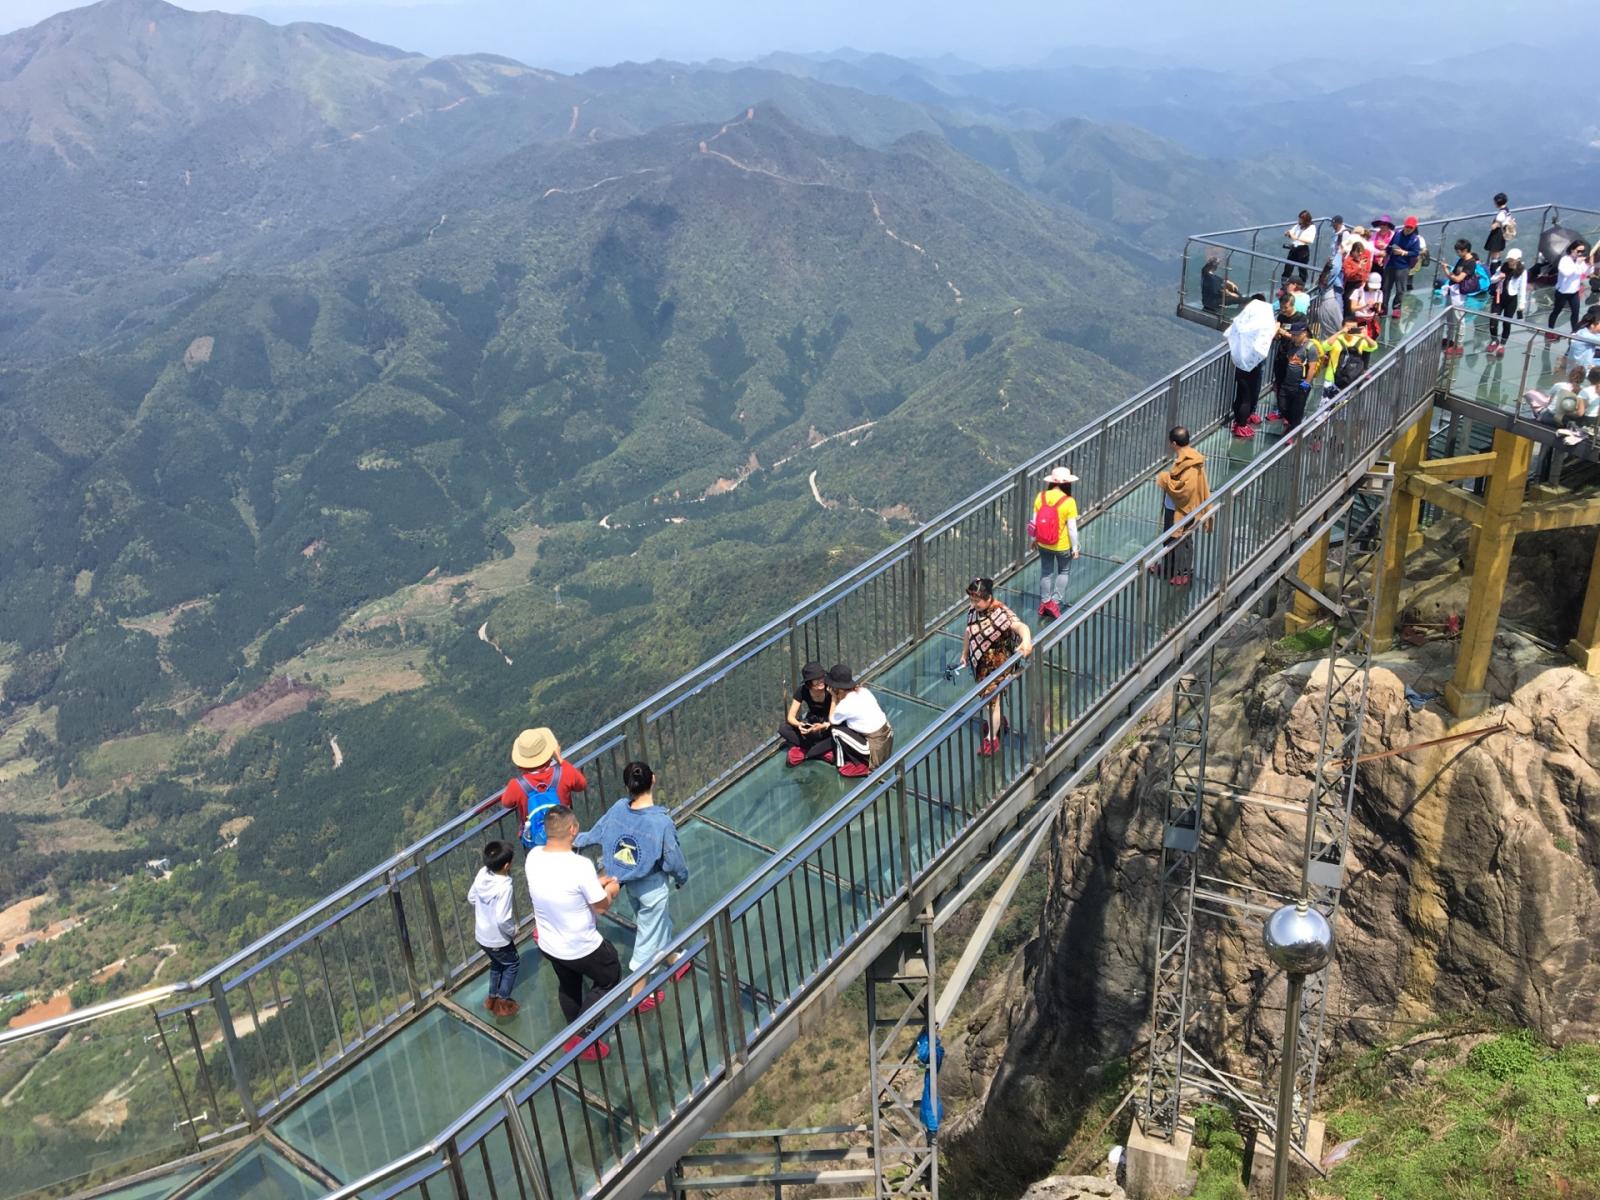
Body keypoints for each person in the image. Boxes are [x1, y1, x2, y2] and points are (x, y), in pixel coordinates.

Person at [575, 761, 689, 1009]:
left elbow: (597, 833)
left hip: (629, 885)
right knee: (648, 936)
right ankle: (639, 995)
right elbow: (673, 860)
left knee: (657, 925)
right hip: (653, 887)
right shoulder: (661, 822)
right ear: (654, 780)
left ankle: (672, 958)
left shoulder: (618, 808)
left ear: (627, 786)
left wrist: (571, 840)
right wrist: (681, 878)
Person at [526, 806, 620, 1060]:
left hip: (550, 943)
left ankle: (574, 1033)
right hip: (581, 945)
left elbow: (563, 888)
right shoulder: (580, 865)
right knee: (609, 977)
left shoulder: (533, 857)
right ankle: (582, 1032)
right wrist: (611, 889)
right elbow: (600, 906)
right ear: (572, 830)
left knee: (569, 985)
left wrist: (594, 885)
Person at [962, 578, 1033, 756]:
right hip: (982, 664)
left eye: (977, 600)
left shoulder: (1001, 613)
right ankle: (997, 722)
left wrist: (1026, 640)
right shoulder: (974, 611)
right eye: (972, 600)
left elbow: (1019, 626)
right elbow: (969, 632)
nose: (974, 604)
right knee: (989, 702)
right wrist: (964, 654)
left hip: (998, 665)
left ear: (988, 597)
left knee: (992, 702)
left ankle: (991, 739)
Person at [501, 727, 587, 847]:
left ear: (521, 764)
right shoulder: (564, 773)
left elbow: (506, 802)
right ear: (548, 754)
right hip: (565, 836)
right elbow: (582, 784)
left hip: (537, 843)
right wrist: (560, 760)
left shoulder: (516, 785)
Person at [467, 840, 521, 1018]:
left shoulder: (482, 873)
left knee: (497, 964)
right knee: (512, 964)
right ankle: (503, 1003)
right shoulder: (504, 886)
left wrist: (485, 911)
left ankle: (491, 999)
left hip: (481, 935)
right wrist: (513, 930)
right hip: (497, 938)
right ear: (506, 865)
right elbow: (503, 918)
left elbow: (472, 898)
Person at [1154, 426, 1211, 588]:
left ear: (1173, 443)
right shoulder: (1189, 457)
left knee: (1182, 539)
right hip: (1174, 507)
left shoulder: (1190, 463)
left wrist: (1165, 479)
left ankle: (1183, 573)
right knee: (1170, 537)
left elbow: (1185, 489)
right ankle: (1168, 568)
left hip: (1182, 508)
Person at [1031, 466, 1081, 621]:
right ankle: (1055, 602)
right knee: (1063, 572)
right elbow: (1072, 528)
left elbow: (1034, 522)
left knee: (1046, 572)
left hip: (1043, 543)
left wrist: (1034, 540)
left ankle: (1044, 602)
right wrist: (1075, 547)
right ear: (1068, 484)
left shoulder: (1041, 496)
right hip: (1062, 545)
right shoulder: (1069, 502)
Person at [827, 664, 893, 778]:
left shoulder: (845, 704)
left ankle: (840, 763)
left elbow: (832, 719)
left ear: (839, 688)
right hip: (887, 737)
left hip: (875, 748)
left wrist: (833, 698)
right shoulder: (863, 691)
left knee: (835, 731)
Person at [1227, 297, 1277, 438]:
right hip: (1251, 367)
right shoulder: (1257, 331)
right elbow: (1264, 340)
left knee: (1240, 395)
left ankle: (1237, 422)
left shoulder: (1244, 328)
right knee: (1247, 398)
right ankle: (1242, 426)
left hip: (1240, 364)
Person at [780, 662, 835, 767]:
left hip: (828, 725)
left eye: (822, 677)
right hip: (812, 723)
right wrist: (799, 725)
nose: (821, 681)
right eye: (816, 679)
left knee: (836, 733)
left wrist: (823, 726)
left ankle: (809, 750)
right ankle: (819, 751)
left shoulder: (830, 689)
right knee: (783, 729)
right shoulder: (803, 691)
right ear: (809, 682)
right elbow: (790, 717)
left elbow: (833, 718)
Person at [1440, 239, 1488, 356]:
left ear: (1465, 250)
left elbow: (1458, 278)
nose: (1457, 253)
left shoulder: (1470, 263)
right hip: (1453, 291)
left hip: (1459, 294)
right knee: (1450, 317)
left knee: (1459, 319)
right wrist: (1447, 272)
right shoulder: (1461, 260)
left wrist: (1446, 271)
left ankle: (1459, 345)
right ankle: (1450, 339)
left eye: (1459, 251)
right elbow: (1454, 276)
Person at [1318, 319, 1377, 400]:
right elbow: (1324, 346)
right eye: (1348, 327)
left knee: (1345, 406)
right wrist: (1340, 332)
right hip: (1332, 378)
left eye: (1354, 327)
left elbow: (1373, 347)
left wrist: (1366, 337)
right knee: (1326, 407)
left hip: (1351, 378)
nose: (1350, 330)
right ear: (1342, 327)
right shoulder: (1337, 339)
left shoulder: (1359, 339)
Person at [1277, 329, 1321, 432]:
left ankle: (1294, 432)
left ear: (1304, 333)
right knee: (1282, 407)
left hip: (1301, 384)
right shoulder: (1291, 345)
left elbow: (1312, 367)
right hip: (1287, 383)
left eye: (1296, 334)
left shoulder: (1310, 348)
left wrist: (1306, 383)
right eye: (1293, 334)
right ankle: (1293, 427)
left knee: (1297, 411)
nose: (1294, 336)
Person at [1487, 251, 1529, 356]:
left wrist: (1522, 304)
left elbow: (1522, 288)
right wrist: (1499, 277)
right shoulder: (1502, 267)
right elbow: (1492, 280)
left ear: (1518, 259)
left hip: (1511, 299)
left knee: (1506, 322)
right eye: (1509, 259)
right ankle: (1494, 340)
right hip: (1499, 297)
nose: (1510, 261)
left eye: (1512, 259)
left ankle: (1502, 344)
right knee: (1493, 320)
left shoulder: (1522, 271)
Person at [1383, 216, 1424, 319]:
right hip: (1391, 264)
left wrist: (1404, 253)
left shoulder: (1415, 239)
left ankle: (1396, 308)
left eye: (1410, 227)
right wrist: (1388, 252)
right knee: (1386, 287)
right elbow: (1389, 245)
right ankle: (1383, 308)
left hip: (1403, 267)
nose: (1408, 229)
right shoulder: (1397, 233)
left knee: (1400, 289)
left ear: (1414, 228)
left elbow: (1415, 253)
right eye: (1407, 227)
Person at [1549, 244, 1593, 338]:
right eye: (1578, 251)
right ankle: (1549, 330)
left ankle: (1574, 332)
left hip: (1574, 291)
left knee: (1575, 312)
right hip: (1563, 291)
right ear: (1572, 250)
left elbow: (1587, 272)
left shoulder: (1580, 261)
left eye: (1582, 251)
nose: (1580, 253)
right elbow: (1566, 273)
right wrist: (1577, 264)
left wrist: (1590, 265)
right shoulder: (1565, 260)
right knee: (1557, 310)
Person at [1282, 210, 1316, 285]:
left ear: (1306, 220)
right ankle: (1284, 284)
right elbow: (1292, 231)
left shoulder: (1311, 227)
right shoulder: (1298, 225)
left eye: (1301, 219)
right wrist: (1288, 233)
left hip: (1303, 249)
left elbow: (1310, 240)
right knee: (1288, 267)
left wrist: (1296, 238)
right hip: (1294, 247)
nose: (1299, 220)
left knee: (1302, 269)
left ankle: (1302, 285)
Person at [1350, 271, 1385, 340]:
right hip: (1359, 321)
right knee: (1357, 341)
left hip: (1371, 322)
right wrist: (1365, 305)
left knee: (1371, 342)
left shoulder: (1379, 293)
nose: (1373, 289)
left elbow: (1378, 310)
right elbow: (1352, 308)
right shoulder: (1358, 291)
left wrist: (1375, 307)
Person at [1485, 193, 1513, 271]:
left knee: (1495, 255)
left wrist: (1493, 225)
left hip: (1497, 234)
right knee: (1498, 254)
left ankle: (1494, 271)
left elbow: (1496, 225)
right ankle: (1498, 270)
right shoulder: (1507, 210)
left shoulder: (1501, 213)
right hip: (1502, 233)